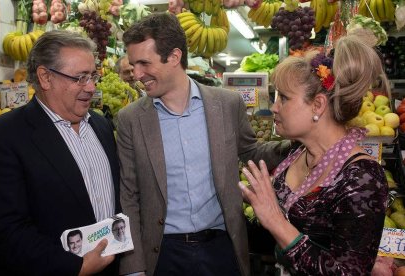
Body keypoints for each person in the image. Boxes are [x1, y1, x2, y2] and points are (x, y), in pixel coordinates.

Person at [116, 12, 293, 276]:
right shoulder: (130, 119)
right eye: (133, 64)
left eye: (144, 63)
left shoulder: (226, 104)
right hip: (163, 253)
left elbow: (251, 152)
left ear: (175, 57)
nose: (136, 73)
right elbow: (129, 196)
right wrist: (133, 267)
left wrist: (299, 143)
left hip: (222, 247)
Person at [238, 35, 389, 275]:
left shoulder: (363, 178)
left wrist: (275, 219)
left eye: (284, 98)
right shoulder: (296, 153)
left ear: (317, 105)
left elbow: (346, 272)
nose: (275, 107)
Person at [0, 30, 121, 276]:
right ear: (45, 77)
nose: (91, 87)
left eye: (93, 76)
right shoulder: (5, 135)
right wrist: (76, 268)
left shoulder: (101, 125)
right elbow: (7, 230)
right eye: (80, 78)